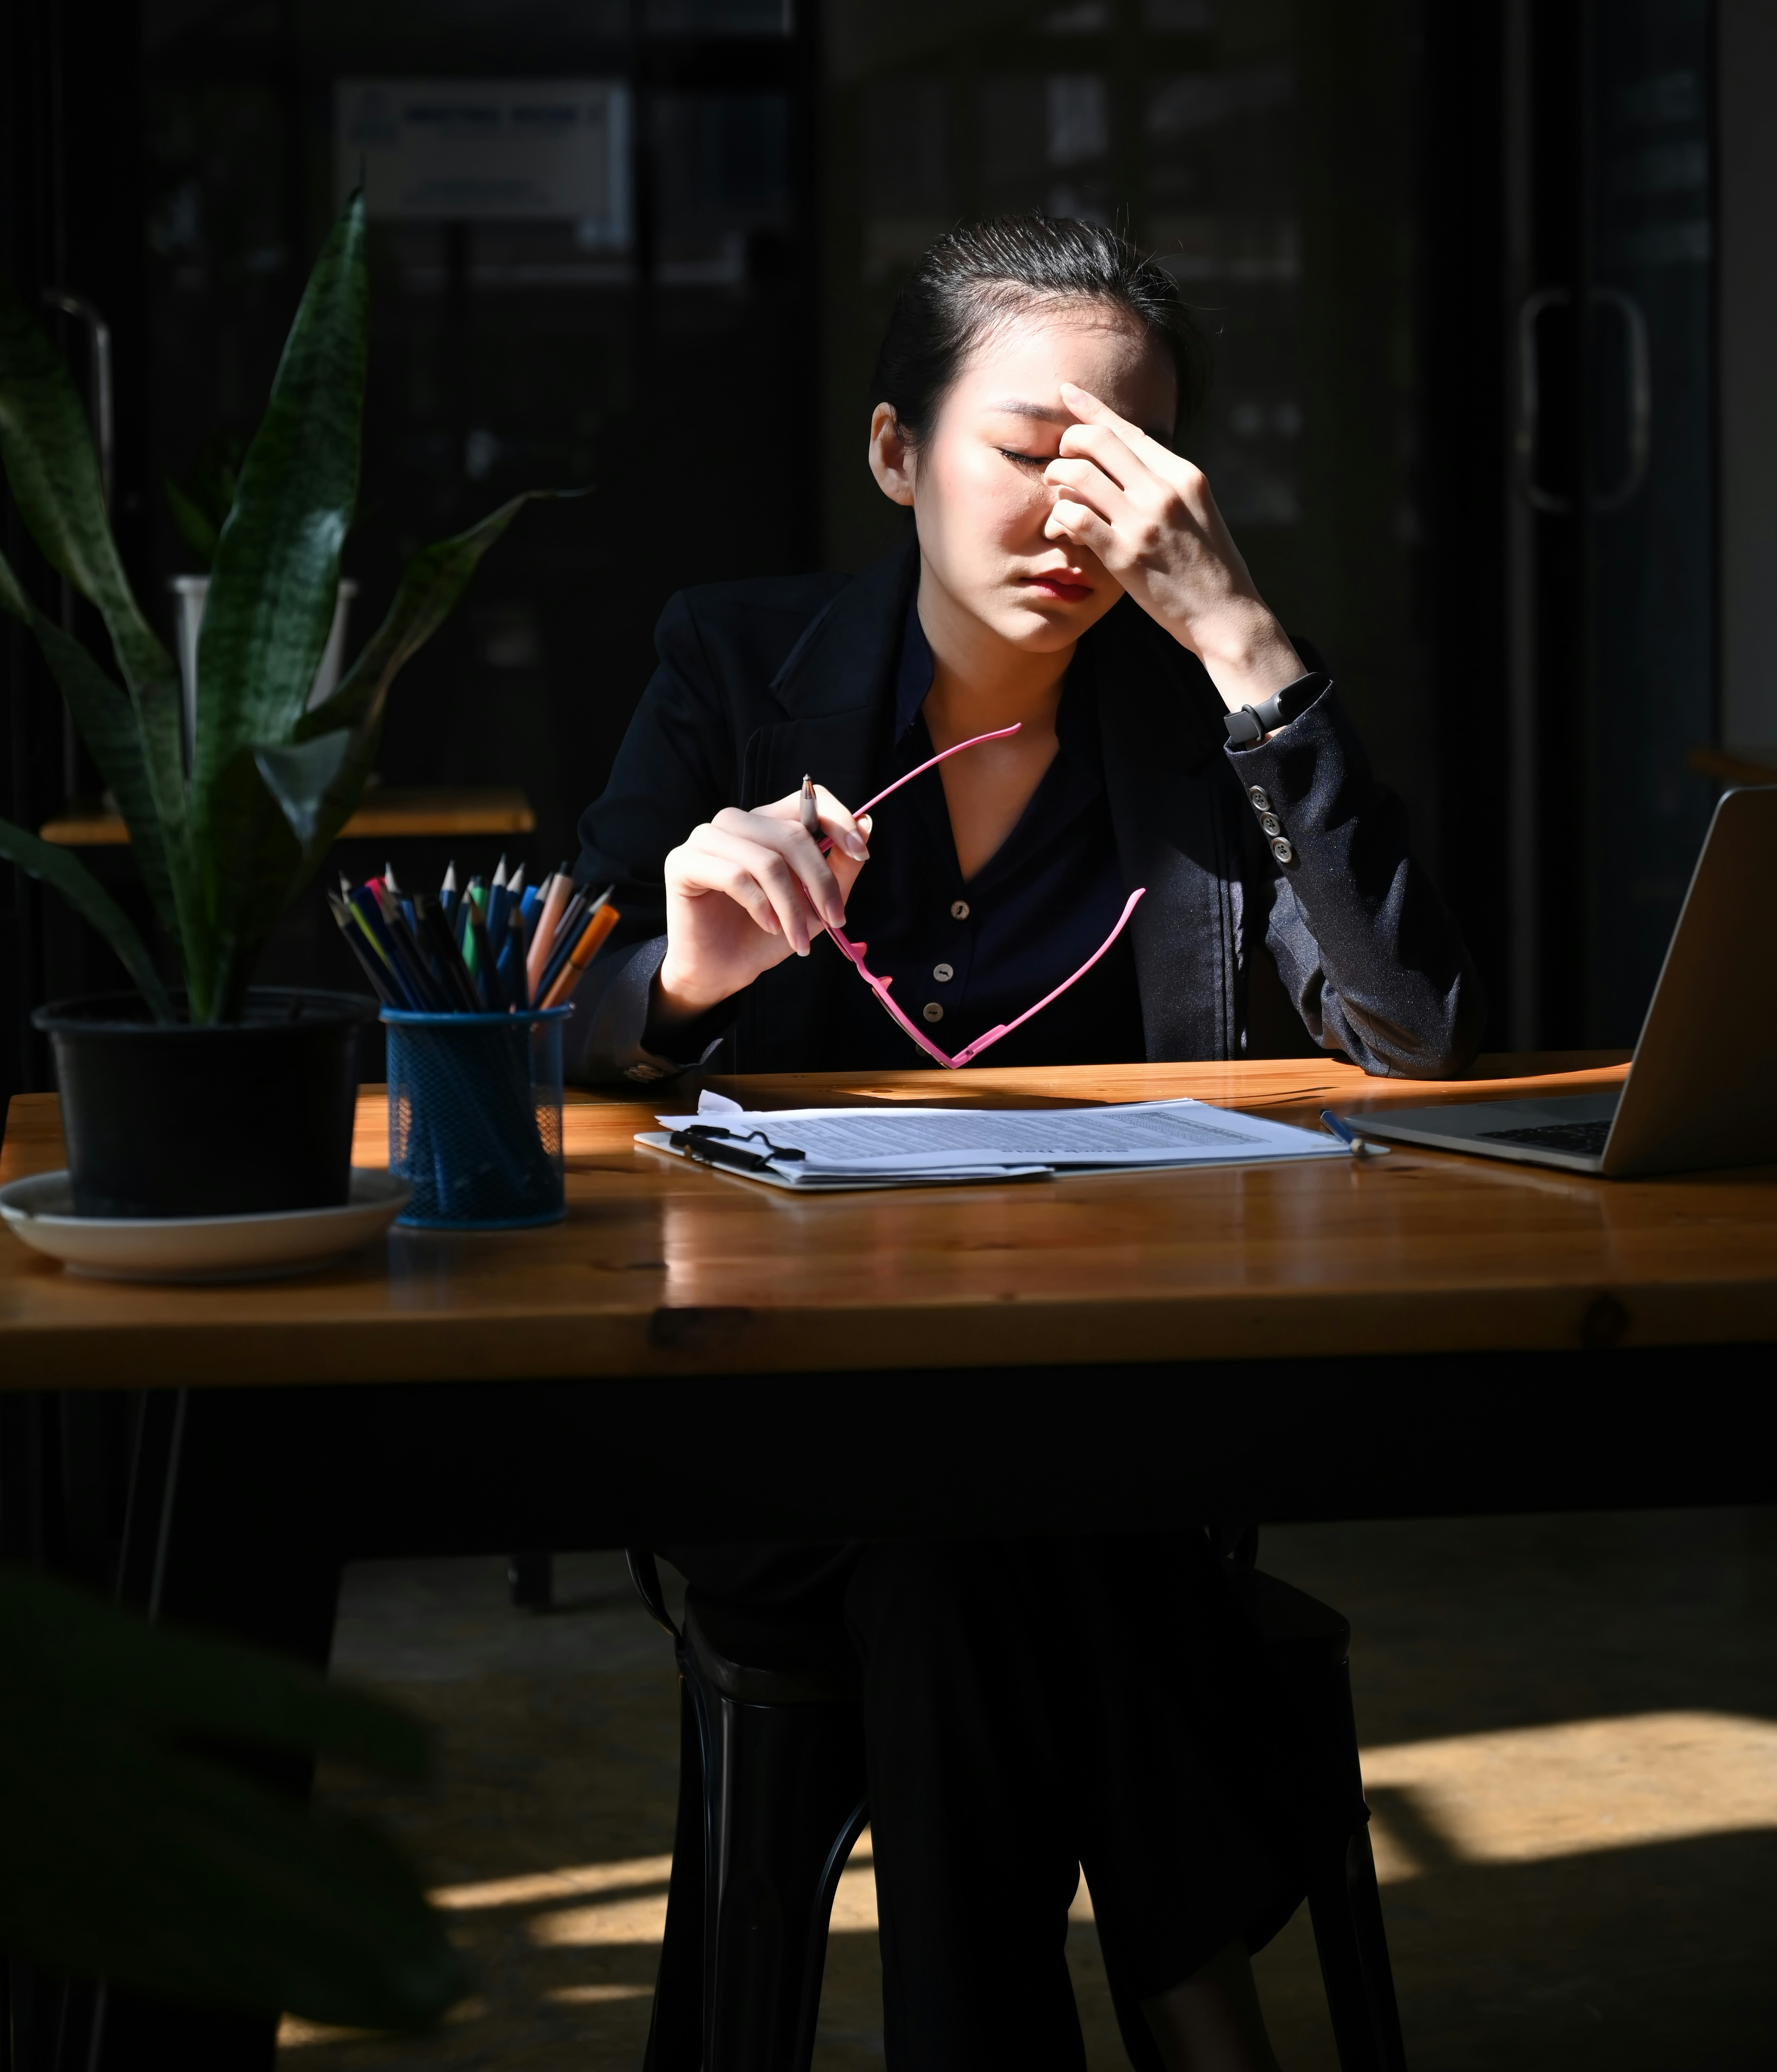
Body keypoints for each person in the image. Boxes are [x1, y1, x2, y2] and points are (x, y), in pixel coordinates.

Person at [570, 215, 1482, 2071]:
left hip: (1124, 1426)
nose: (1081, 511)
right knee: (966, 1528)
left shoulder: (1199, 720)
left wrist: (1237, 634)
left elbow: (1413, 1041)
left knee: (976, 1540)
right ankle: (1198, 2009)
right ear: (897, 452)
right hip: (786, 1436)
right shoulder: (730, 668)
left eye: (1129, 470)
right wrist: (675, 976)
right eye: (1027, 449)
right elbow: (519, 1052)